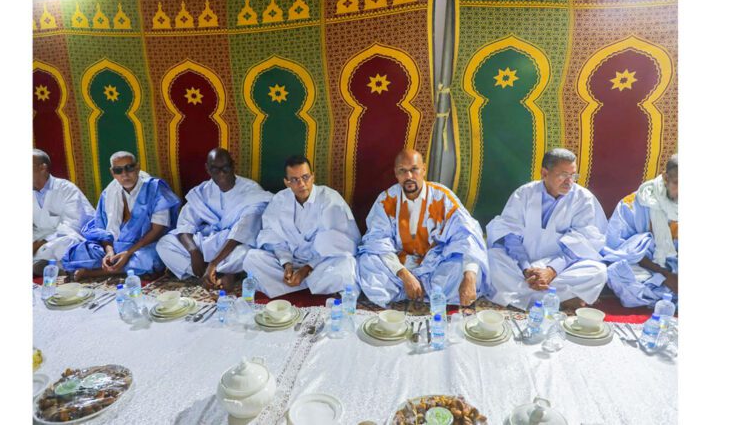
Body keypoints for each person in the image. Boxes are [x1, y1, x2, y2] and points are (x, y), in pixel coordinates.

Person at [357, 150, 489, 307]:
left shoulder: (443, 197)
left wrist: (469, 277)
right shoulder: (385, 200)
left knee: (467, 270)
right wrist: (404, 274)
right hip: (399, 265)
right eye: (402, 171)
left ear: (424, 170)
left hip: (435, 265)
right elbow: (377, 241)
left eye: (414, 169)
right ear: (396, 174)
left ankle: (410, 292)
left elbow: (467, 234)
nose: (409, 176)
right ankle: (422, 291)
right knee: (367, 262)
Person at [485, 148, 608, 310]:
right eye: (563, 175)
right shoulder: (524, 194)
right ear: (544, 173)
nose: (569, 181)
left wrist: (551, 271)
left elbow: (583, 243)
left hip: (560, 267)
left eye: (573, 175)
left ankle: (521, 297)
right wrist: (526, 268)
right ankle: (558, 299)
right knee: (492, 258)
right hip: (522, 266)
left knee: (598, 271)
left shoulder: (583, 199)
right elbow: (510, 236)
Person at [243, 156, 361, 298]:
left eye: (305, 177)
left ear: (313, 176)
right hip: (291, 263)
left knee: (346, 266)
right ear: (287, 182)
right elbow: (274, 239)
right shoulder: (279, 200)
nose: (302, 184)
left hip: (320, 264)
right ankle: (310, 286)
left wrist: (306, 269)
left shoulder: (330, 199)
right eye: (294, 180)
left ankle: (295, 287)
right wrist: (287, 264)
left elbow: (343, 244)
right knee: (252, 258)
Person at [156, 148, 271, 291]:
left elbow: (241, 233)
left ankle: (215, 273)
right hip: (207, 242)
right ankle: (216, 275)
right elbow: (185, 225)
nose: (221, 173)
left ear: (233, 165)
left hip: (234, 245)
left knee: (250, 254)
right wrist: (193, 251)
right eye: (215, 169)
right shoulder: (202, 191)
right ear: (207, 169)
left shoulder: (252, 191)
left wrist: (214, 263)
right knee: (164, 243)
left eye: (225, 168)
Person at [62, 151, 180, 279]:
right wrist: (109, 252)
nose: (124, 174)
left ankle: (94, 272)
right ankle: (124, 268)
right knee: (79, 252)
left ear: (137, 167)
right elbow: (102, 230)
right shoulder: (109, 193)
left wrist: (127, 253)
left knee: (149, 258)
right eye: (118, 170)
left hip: (144, 245)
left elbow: (157, 230)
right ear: (112, 172)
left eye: (129, 168)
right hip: (116, 245)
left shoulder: (155, 188)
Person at [601, 154, 678, 307]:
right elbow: (619, 249)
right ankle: (665, 297)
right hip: (643, 267)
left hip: (675, 268)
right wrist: (665, 276)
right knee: (617, 272)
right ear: (665, 178)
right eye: (677, 183)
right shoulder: (633, 203)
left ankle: (661, 297)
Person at [33, 149, 95, 275]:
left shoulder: (66, 189)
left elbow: (74, 225)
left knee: (68, 242)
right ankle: (48, 266)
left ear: (42, 168)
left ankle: (46, 266)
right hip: (39, 246)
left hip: (62, 241)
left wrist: (41, 243)